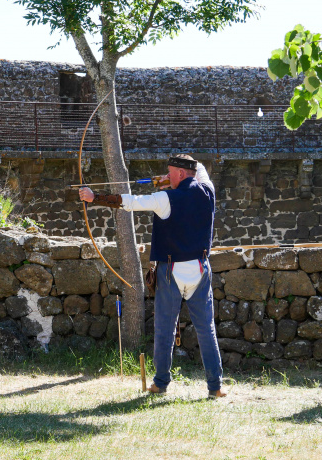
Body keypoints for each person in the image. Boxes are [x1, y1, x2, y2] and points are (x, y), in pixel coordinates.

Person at [79, 155, 225, 398]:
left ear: (179, 173)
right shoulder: (208, 192)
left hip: (172, 269)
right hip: (200, 268)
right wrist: (172, 178)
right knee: (206, 329)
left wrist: (95, 198)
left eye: (170, 172)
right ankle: (216, 387)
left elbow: (131, 202)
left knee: (164, 329)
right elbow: (198, 169)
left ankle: (160, 383)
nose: (166, 176)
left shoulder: (165, 198)